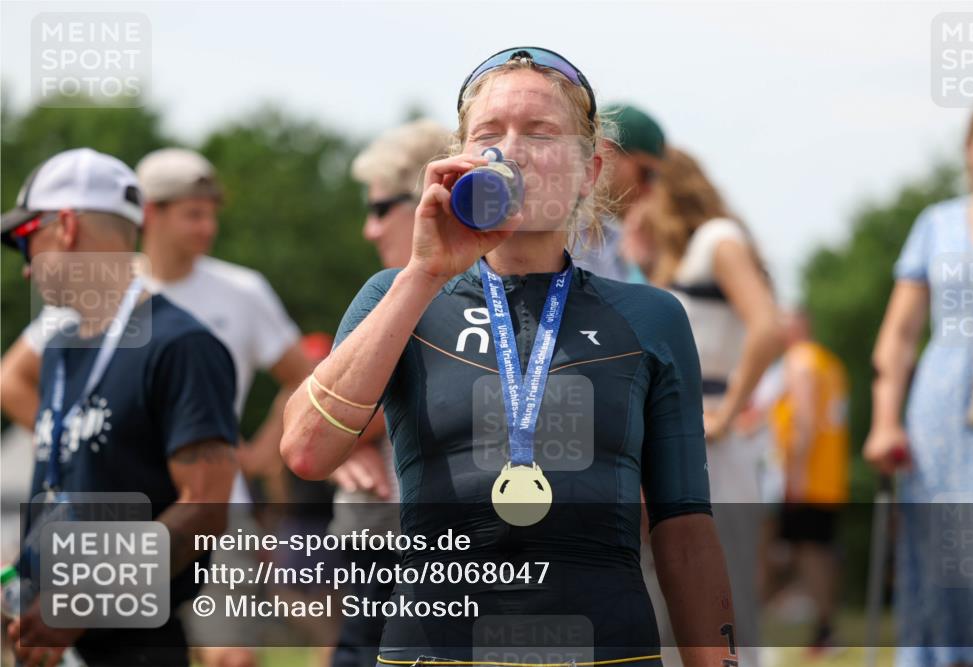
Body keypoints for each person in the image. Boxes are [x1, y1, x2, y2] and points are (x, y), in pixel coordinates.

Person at [281, 46, 738, 666]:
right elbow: (308, 451)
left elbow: (685, 532)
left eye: (541, 133)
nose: (511, 150)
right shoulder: (396, 295)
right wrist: (423, 271)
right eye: (489, 133)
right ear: (458, 158)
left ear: (590, 168)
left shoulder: (651, 317)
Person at [1, 147, 239, 667]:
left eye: (24, 241)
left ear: (64, 227)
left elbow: (205, 506)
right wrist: (20, 578)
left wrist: (81, 601)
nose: (23, 269)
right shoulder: (62, 347)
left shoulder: (182, 345)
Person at [134, 146, 314, 667]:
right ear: (150, 213)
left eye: (212, 212)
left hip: (220, 508)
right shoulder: (108, 289)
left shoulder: (241, 289)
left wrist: (260, 454)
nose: (208, 225)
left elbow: (305, 381)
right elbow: (17, 380)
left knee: (231, 657)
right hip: (128, 504)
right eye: (193, 212)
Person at [627, 147, 784, 666]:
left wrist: (730, 406)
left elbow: (768, 326)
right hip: (672, 437)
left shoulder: (719, 240)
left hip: (712, 436)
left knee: (724, 587)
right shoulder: (675, 261)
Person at [864, 96, 973, 667]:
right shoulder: (935, 225)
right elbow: (899, 335)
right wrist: (885, 420)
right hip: (940, 419)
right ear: (971, 150)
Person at [327, 118, 451, 667]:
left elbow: (355, 415)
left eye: (381, 209)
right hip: (377, 544)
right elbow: (319, 427)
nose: (368, 229)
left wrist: (349, 434)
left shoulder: (468, 294)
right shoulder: (387, 294)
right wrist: (339, 450)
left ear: (430, 198)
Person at [763, 309, 849, 656]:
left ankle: (815, 626)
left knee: (798, 552)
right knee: (817, 552)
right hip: (829, 476)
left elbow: (805, 419)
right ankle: (823, 629)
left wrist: (794, 476)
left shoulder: (799, 362)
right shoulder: (829, 363)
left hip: (807, 476)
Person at [575, 103, 666, 283]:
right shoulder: (550, 225)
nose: (650, 188)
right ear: (607, 150)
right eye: (647, 173)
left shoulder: (619, 239)